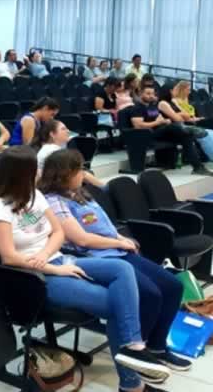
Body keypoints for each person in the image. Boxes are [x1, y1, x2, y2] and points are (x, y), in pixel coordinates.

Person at [0, 146, 172, 392]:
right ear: (20, 173)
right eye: (34, 169)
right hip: (35, 278)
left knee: (121, 268)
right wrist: (53, 268)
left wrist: (46, 255)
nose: (39, 173)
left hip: (57, 259)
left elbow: (58, 232)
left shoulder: (34, 195)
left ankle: (134, 347)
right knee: (116, 305)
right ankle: (131, 384)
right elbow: (9, 257)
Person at [41, 149, 191, 379]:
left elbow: (107, 226)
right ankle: (137, 353)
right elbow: (81, 239)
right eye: (79, 169)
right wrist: (118, 242)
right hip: (95, 258)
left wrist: (122, 239)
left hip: (116, 250)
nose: (83, 173)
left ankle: (157, 347)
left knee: (173, 286)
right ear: (64, 173)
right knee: (150, 295)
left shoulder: (80, 193)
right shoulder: (53, 201)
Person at [132, 85, 213, 176]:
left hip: (161, 131)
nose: (151, 96)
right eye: (148, 93)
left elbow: (160, 119)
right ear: (140, 94)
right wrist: (157, 122)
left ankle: (198, 168)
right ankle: (186, 128)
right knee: (174, 126)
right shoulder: (137, 108)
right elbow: (138, 125)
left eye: (152, 94)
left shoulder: (152, 107)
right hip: (148, 134)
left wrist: (165, 121)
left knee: (186, 137)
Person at [32, 120, 104, 187]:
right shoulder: (52, 151)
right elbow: (81, 174)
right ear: (52, 134)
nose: (68, 131)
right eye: (63, 129)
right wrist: (104, 188)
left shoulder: (49, 148)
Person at [157, 81, 213, 162]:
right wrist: (182, 114)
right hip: (174, 128)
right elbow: (178, 119)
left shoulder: (172, 102)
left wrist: (183, 115)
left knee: (209, 128)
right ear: (170, 91)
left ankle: (205, 158)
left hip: (184, 124)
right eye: (176, 89)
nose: (177, 91)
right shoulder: (163, 103)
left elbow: (186, 115)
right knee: (204, 131)